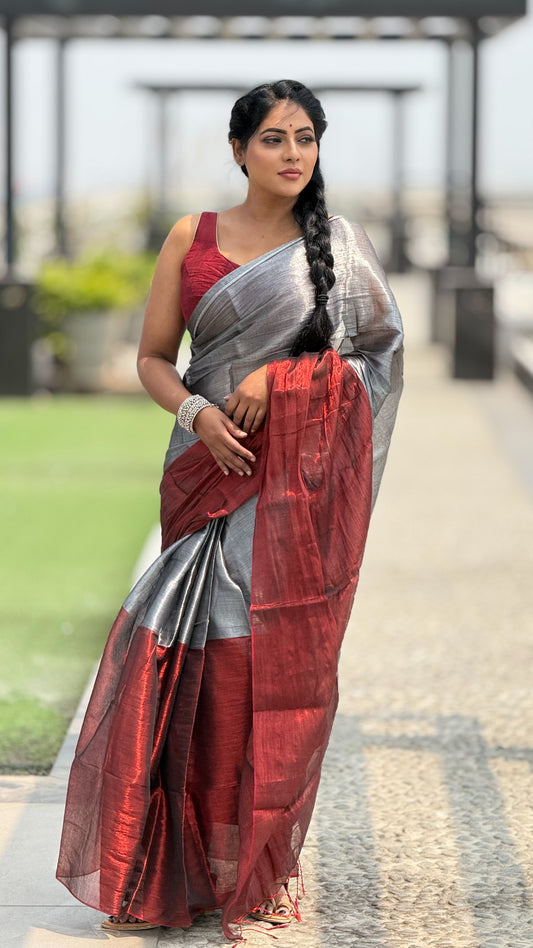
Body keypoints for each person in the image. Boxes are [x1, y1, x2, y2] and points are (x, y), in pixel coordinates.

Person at [56, 79, 403, 943]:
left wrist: (278, 380)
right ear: (239, 149)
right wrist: (200, 414)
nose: (294, 155)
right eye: (276, 139)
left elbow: (379, 357)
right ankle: (164, 865)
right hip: (205, 470)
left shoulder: (342, 248)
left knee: (271, 673)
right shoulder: (193, 237)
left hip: (294, 491)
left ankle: (262, 867)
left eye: (307, 139)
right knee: (183, 659)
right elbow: (150, 358)